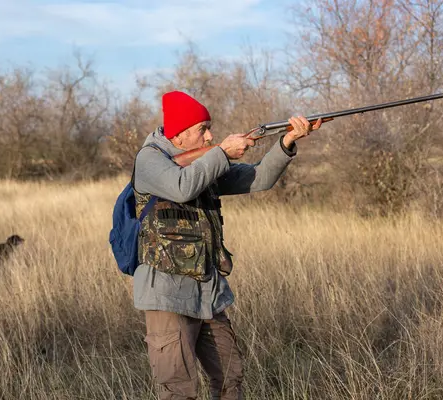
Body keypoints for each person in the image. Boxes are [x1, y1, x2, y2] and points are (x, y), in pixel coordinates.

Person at [132, 91, 323, 400]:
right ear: (178, 135)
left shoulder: (207, 161)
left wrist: (286, 142)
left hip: (209, 291)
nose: (210, 135)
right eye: (202, 129)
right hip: (167, 294)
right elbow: (181, 188)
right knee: (177, 390)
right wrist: (220, 153)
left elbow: (259, 178)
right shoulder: (149, 160)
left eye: (210, 127)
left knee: (231, 379)